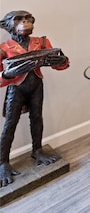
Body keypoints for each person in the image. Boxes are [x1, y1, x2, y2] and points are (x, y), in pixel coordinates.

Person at [0, 10, 69, 187]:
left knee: (37, 118)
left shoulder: (41, 42)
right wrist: (8, 74)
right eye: (19, 20)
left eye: (27, 19)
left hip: (36, 85)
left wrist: (61, 60)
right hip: (17, 89)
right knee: (10, 125)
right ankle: (2, 162)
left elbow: (60, 65)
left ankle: (37, 150)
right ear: (9, 25)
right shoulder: (3, 48)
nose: (25, 23)